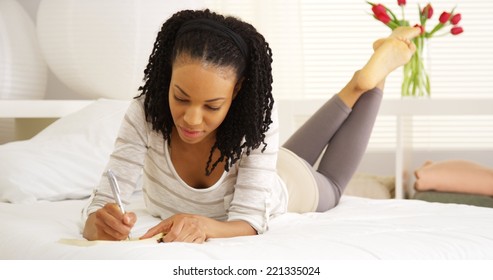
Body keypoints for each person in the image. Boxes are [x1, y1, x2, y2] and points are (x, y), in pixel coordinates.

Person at [82, 9, 420, 243]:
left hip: (291, 186)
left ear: (238, 91)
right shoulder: (146, 113)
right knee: (289, 156)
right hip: (272, 163)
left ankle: (372, 83)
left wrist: (204, 225)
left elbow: (250, 221)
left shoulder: (253, 123)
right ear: (166, 78)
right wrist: (99, 223)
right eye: (181, 98)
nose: (192, 119)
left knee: (331, 185)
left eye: (212, 105)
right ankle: (356, 85)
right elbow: (102, 203)